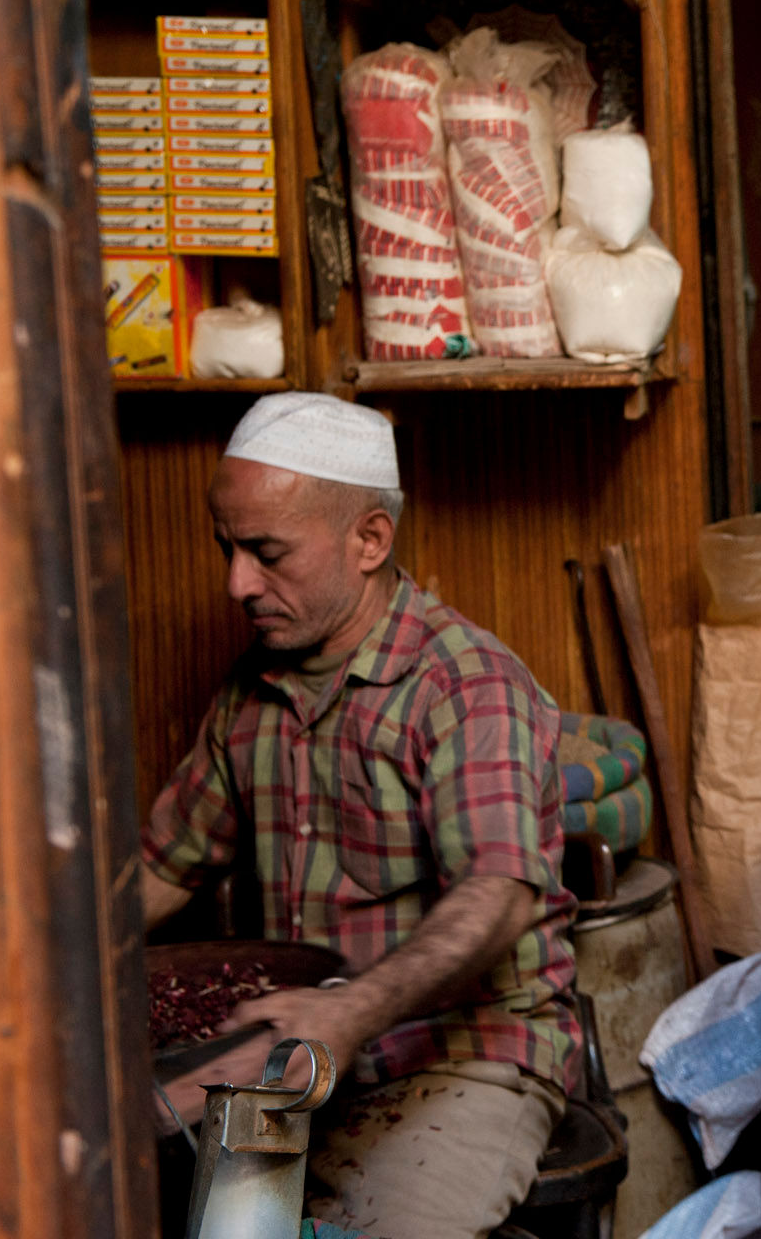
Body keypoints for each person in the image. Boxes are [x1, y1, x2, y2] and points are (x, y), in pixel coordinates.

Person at [142, 394, 576, 1239]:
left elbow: (501, 891)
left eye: (267, 553)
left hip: (460, 1063)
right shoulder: (252, 692)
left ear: (369, 541)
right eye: (226, 548)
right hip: (291, 1058)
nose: (237, 582)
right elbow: (164, 866)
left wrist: (350, 1014)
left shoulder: (466, 684)